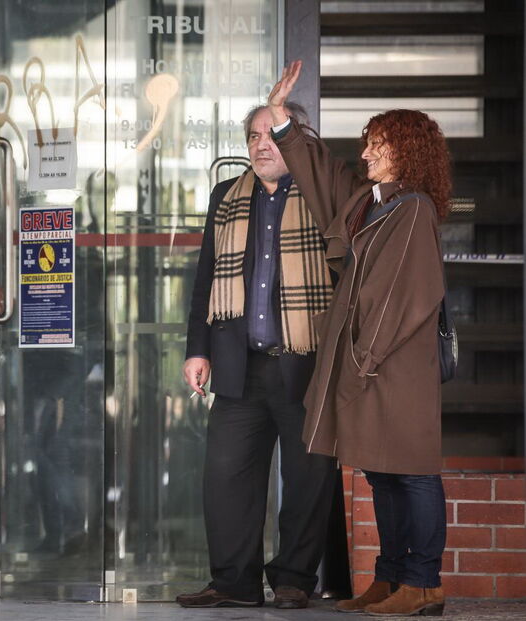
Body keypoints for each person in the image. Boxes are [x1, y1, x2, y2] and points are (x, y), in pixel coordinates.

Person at [268, 61, 450, 616]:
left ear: (407, 153)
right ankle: (391, 578)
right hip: (369, 365)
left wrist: (362, 360)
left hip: (392, 367)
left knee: (412, 473)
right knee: (383, 473)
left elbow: (401, 295)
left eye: (378, 145)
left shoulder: (412, 209)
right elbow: (323, 173)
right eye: (368, 143)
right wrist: (281, 119)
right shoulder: (371, 203)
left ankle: (423, 584)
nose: (366, 153)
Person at [179, 102, 337, 609]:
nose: (261, 145)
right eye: (253, 136)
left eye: (272, 135)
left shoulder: (322, 195)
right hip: (239, 366)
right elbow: (206, 279)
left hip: (305, 363)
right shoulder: (227, 197)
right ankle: (234, 583)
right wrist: (197, 351)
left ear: (295, 139)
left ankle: (294, 578)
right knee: (225, 478)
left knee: (308, 479)